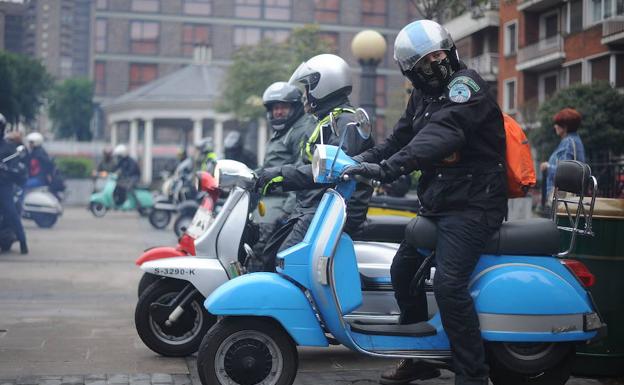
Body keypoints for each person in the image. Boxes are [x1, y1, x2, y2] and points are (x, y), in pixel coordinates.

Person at [342, 20, 507, 385]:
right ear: (412, 71)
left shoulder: (466, 88)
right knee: (402, 270)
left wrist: (387, 169)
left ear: (450, 51)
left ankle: (473, 375)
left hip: (474, 206)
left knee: (449, 285)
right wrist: (357, 162)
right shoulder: (421, 97)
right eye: (426, 60)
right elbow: (400, 138)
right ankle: (419, 358)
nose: (436, 63)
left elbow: (440, 134)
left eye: (439, 54)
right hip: (439, 205)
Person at [254, 53, 375, 271]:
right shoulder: (330, 122)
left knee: (286, 263)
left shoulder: (347, 124)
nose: (305, 96)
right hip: (313, 208)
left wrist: (280, 174)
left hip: (332, 212)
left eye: (309, 88)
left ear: (324, 86)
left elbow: (331, 170)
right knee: (268, 254)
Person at [250, 81, 316, 270]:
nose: (278, 112)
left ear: (294, 107)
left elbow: (301, 171)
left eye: (283, 107)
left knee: (261, 247)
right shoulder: (283, 131)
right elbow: (269, 166)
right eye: (275, 108)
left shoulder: (300, 131)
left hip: (282, 202)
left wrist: (287, 211)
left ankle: (259, 286)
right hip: (269, 199)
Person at [540, 107, 585, 202]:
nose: (555, 126)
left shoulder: (568, 142)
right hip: (569, 195)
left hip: (562, 197)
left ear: (565, 127)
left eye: (558, 124)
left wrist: (547, 167)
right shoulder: (575, 140)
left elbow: (565, 173)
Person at [0, 113, 28, 254]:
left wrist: (6, 168)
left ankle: (23, 242)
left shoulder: (9, 147)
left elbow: (16, 164)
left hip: (3, 185)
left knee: (11, 211)